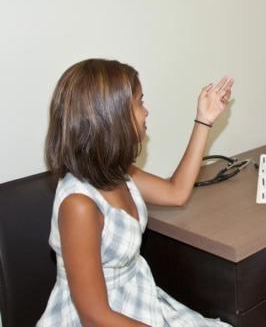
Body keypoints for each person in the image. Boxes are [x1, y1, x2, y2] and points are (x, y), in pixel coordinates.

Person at [37, 59, 234, 326]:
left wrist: (204, 120)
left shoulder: (115, 170)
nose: (146, 111)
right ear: (112, 116)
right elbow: (95, 316)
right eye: (140, 102)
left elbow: (176, 192)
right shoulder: (79, 204)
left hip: (137, 298)